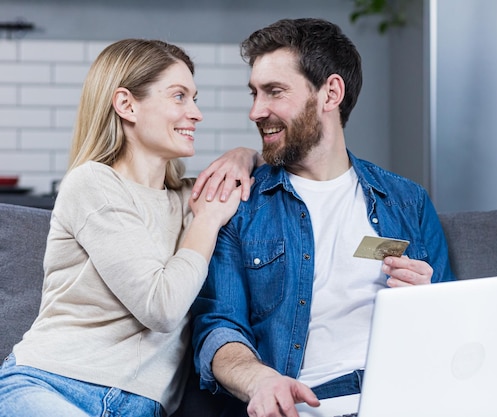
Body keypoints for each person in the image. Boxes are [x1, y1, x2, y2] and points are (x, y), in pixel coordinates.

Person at [190, 18, 456, 417]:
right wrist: (259, 380)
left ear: (330, 92)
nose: (256, 111)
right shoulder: (240, 205)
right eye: (255, 93)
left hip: (410, 397)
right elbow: (218, 327)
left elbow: (456, 324)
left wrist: (429, 299)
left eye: (274, 92)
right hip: (312, 403)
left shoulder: (407, 201)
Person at [0, 39, 259, 417]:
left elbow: (286, 160)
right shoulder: (92, 184)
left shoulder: (193, 196)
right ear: (127, 104)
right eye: (179, 96)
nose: (196, 113)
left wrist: (244, 154)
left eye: (195, 98)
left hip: (140, 407)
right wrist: (206, 220)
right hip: (50, 384)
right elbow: (162, 307)